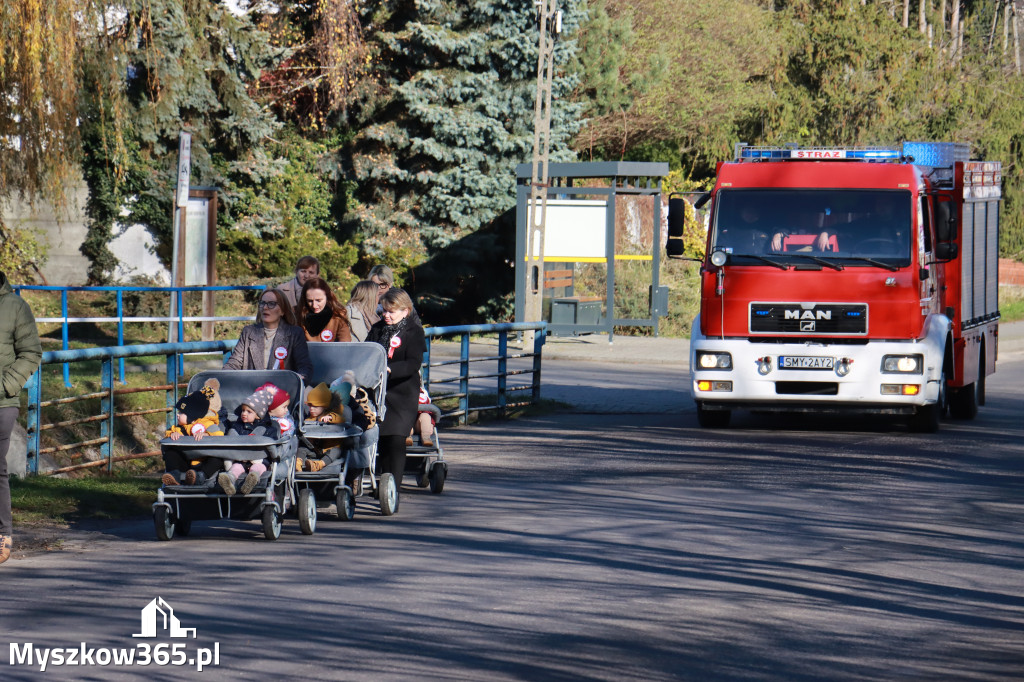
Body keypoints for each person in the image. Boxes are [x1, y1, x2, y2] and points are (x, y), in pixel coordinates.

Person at [0, 270, 42, 565]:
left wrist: (5, 385)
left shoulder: (15, 306)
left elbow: (31, 352)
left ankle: (3, 534)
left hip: (2, 403)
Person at [367, 288, 425, 489]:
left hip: (402, 392)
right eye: (384, 311)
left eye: (391, 311)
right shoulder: (377, 329)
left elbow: (413, 363)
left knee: (397, 438)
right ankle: (384, 484)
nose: (386, 315)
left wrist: (390, 369)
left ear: (405, 311)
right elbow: (367, 352)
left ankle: (395, 487)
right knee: (382, 439)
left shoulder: (414, 331)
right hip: (379, 391)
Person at [223, 288, 313, 383]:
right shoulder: (248, 332)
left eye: (271, 304)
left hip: (282, 390)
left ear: (282, 311)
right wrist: (221, 379)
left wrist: (298, 380)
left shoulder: (295, 333)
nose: (265, 307)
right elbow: (234, 363)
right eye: (262, 303)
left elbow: (304, 367)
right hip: (251, 388)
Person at [161, 379, 225, 486]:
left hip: (204, 461)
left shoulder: (207, 424)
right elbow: (168, 434)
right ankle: (174, 475)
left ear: (193, 417)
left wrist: (207, 435)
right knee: (171, 454)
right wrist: (172, 434)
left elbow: (219, 435)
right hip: (187, 461)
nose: (178, 415)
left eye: (181, 413)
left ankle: (201, 476)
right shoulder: (180, 428)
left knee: (217, 459)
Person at [219, 385, 279, 496]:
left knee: (258, 467)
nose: (244, 414)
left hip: (259, 459)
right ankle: (229, 481)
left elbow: (273, 446)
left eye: (249, 412)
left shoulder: (269, 430)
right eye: (243, 410)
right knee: (235, 468)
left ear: (258, 415)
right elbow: (231, 439)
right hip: (240, 459)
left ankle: (252, 479)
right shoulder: (237, 426)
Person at [298, 277, 351, 343]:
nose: (314, 305)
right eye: (310, 301)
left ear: (327, 297)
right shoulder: (298, 315)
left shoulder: (338, 316)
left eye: (318, 300)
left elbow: (345, 345)